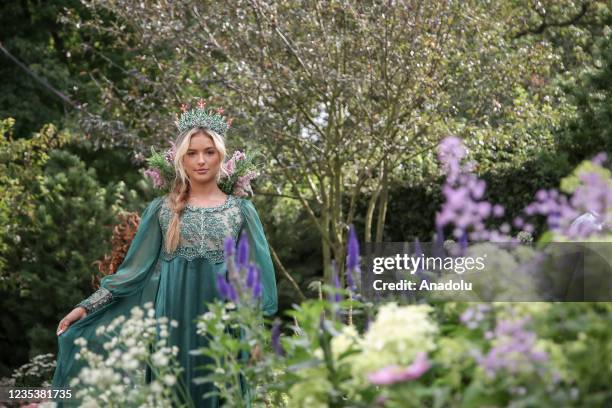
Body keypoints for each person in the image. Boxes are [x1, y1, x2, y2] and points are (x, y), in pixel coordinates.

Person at [51, 101, 278, 407]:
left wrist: (255, 337)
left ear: (221, 156)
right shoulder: (162, 210)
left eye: (209, 152)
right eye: (192, 153)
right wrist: (87, 308)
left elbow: (256, 279)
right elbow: (132, 272)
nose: (201, 160)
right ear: (181, 159)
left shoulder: (241, 211)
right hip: (171, 326)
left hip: (224, 326)